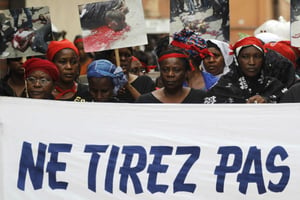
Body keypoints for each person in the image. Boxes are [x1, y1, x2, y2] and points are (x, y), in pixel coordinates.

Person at [204, 36, 288, 103]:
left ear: (263, 59)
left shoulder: (274, 86)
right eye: (245, 57)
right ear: (237, 60)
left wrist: (267, 100)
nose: (251, 62)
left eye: (257, 56)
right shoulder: (222, 86)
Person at [136, 48, 207, 103]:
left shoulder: (201, 98)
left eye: (176, 70)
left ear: (186, 73)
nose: (170, 74)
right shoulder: (145, 101)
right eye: (165, 70)